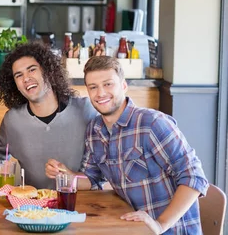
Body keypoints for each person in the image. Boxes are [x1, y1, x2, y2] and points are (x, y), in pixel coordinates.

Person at [46, 56, 209, 234]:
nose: (100, 93)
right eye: (93, 87)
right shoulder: (95, 130)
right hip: (132, 228)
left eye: (108, 84)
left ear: (123, 86)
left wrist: (160, 224)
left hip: (171, 230)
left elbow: (194, 177)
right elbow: (92, 180)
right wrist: (66, 174)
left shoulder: (152, 124)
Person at [0, 42, 98, 189]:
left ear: (48, 71)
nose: (26, 78)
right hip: (32, 208)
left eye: (32, 70)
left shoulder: (86, 110)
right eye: (18, 75)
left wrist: (70, 177)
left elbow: (100, 174)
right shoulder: (12, 120)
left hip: (80, 204)